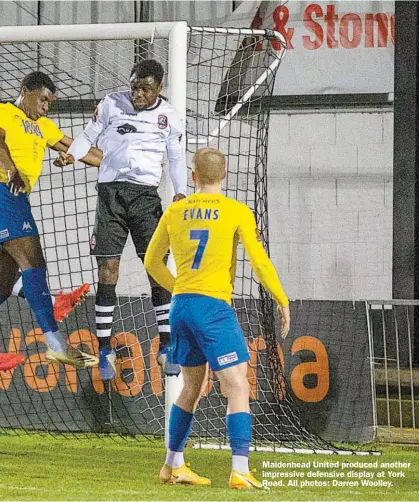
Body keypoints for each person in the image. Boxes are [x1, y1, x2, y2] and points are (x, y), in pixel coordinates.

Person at [144, 147, 291, 489]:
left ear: (193, 176)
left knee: (191, 387)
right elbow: (259, 261)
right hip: (213, 308)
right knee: (238, 384)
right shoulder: (236, 211)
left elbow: (152, 262)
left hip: (181, 307)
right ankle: (240, 469)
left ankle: (172, 465)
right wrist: (281, 298)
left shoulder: (175, 210)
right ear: (224, 174)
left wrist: (179, 286)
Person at [55, 59, 187, 381]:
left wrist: (181, 191)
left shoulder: (169, 116)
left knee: (156, 268)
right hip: (111, 195)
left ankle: (166, 345)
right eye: (134, 86)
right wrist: (73, 154)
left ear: (159, 88)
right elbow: (89, 135)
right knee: (108, 269)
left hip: (145, 197)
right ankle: (104, 349)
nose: (138, 93)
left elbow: (176, 156)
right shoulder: (112, 103)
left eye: (146, 88)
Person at [0, 71, 102, 368]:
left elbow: (81, 150)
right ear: (25, 90)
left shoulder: (44, 126)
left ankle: (54, 317)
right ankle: (56, 343)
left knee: (5, 281)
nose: (46, 106)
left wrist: (123, 162)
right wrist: (10, 170)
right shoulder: (5, 111)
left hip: (16, 195)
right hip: (5, 191)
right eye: (43, 99)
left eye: (50, 102)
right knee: (34, 263)